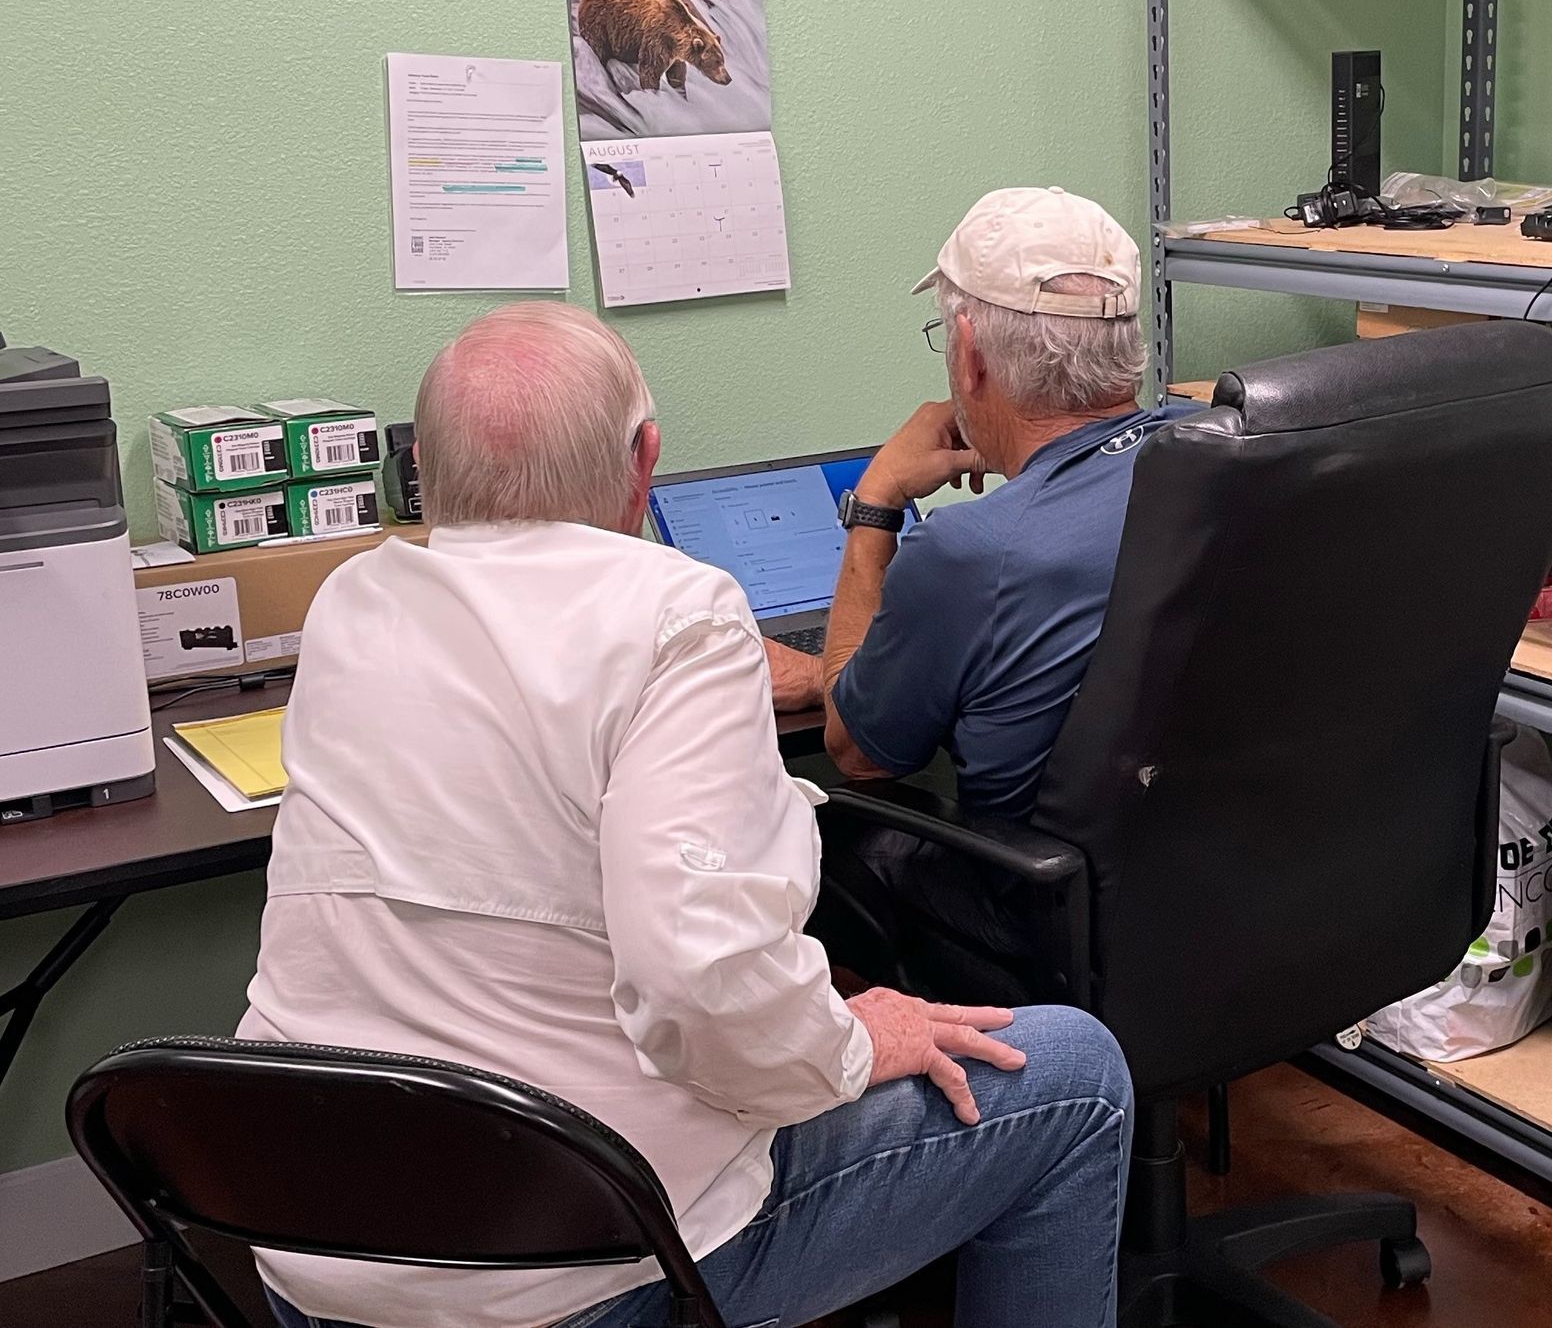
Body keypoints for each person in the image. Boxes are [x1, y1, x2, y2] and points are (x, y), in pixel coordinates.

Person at [236, 301, 1132, 1328]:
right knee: (1077, 1076)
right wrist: (852, 1041)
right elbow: (697, 973)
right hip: (581, 1264)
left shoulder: (352, 603)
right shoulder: (680, 613)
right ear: (643, 461)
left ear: (425, 470)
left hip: (311, 1244)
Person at [762, 187, 1183, 972]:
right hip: (1216, 898)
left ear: (970, 352)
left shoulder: (973, 549)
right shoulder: (1224, 461)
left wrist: (877, 503)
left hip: (1046, 923)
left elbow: (854, 751)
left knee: (815, 825)